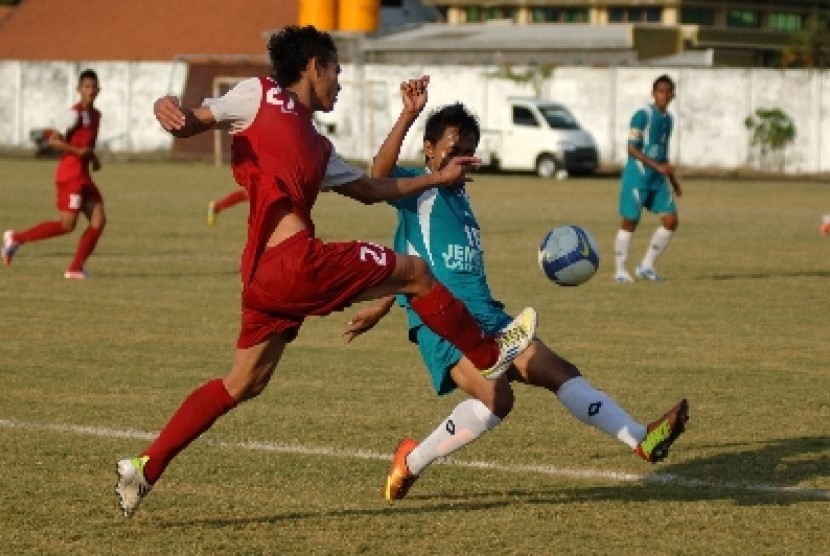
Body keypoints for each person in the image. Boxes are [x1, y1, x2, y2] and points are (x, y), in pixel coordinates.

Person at [114, 25, 537, 518]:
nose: (339, 82)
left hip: (263, 279)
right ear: (314, 65)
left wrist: (437, 177)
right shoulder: (260, 94)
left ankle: (146, 465)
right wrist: (166, 104)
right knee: (417, 273)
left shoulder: (319, 146)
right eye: (336, 70)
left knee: (243, 383)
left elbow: (371, 189)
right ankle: (489, 353)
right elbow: (192, 121)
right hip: (295, 263)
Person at [342, 77, 689, 501]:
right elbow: (377, 176)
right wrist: (410, 114)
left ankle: (640, 438)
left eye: (468, 152)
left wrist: (380, 307)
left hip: (489, 317)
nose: (461, 161)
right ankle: (411, 461)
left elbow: (410, 257)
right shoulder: (416, 190)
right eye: (452, 151)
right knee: (497, 398)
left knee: (560, 372)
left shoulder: (461, 201)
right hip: (442, 325)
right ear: (429, 150)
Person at [2, 69, 106, 279]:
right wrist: (78, 152)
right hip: (70, 176)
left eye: (94, 87)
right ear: (79, 89)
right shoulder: (73, 113)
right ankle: (16, 238)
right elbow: (54, 140)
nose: (90, 91)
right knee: (67, 225)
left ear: (99, 90)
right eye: (86, 87)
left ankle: (75, 268)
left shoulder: (96, 115)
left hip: (83, 175)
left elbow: (86, 145)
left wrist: (93, 159)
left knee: (99, 220)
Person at [613, 74, 683, 283]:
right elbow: (631, 149)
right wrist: (658, 167)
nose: (664, 95)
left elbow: (662, 151)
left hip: (658, 179)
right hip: (638, 178)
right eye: (660, 91)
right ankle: (620, 270)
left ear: (673, 95)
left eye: (667, 91)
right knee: (630, 222)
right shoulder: (642, 115)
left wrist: (673, 180)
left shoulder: (669, 119)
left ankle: (646, 265)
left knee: (671, 220)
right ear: (653, 94)